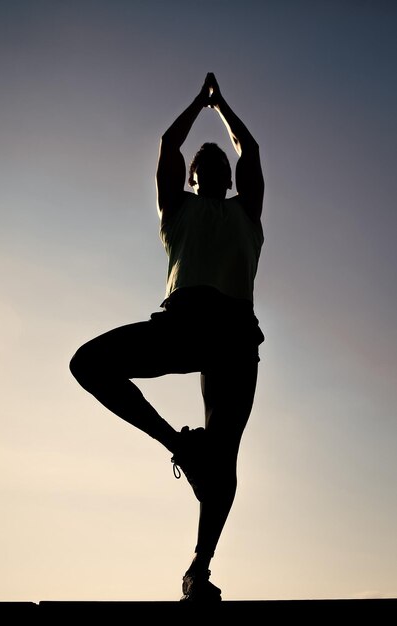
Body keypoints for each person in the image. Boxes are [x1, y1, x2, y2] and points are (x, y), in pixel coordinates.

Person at [69, 72, 265, 602]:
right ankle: (179, 445)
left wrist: (220, 105)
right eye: (208, 165)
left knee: (225, 457)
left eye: (221, 164)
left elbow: (250, 153)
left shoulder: (247, 212)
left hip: (234, 339)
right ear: (196, 176)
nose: (218, 167)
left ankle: (198, 570)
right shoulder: (176, 210)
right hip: (181, 325)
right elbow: (168, 145)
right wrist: (198, 103)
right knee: (88, 363)